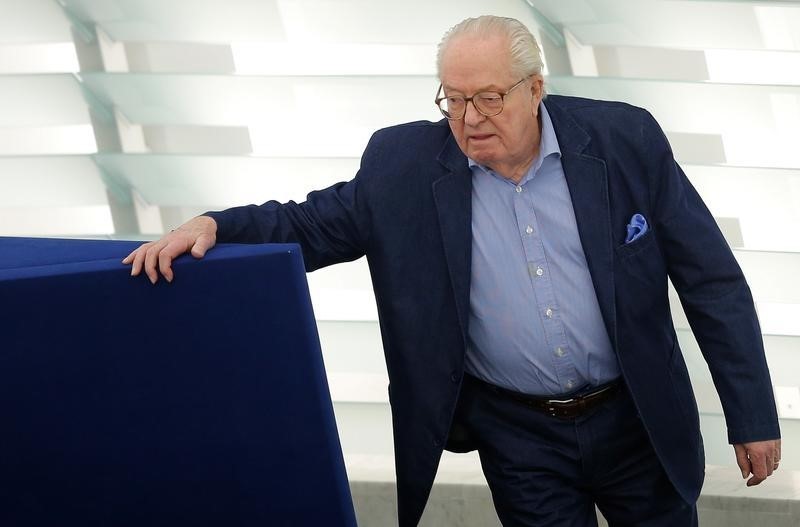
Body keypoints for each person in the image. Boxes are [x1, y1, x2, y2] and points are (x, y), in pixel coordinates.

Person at [123, 15, 781, 527]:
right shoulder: (402, 165)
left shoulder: (624, 140)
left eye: (490, 98)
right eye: (454, 99)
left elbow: (711, 281)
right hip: (518, 432)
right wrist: (214, 224)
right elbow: (310, 223)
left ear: (536, 89)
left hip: (635, 414)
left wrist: (751, 415)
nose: (469, 120)